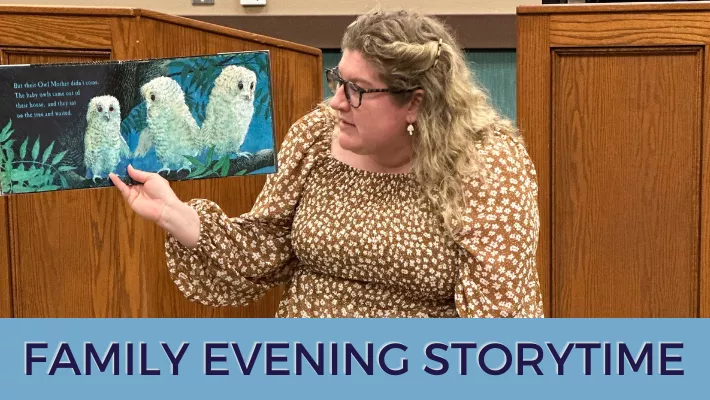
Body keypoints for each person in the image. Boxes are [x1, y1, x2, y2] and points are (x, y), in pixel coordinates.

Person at [110, 9, 544, 318]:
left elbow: (499, 324)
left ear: (415, 102)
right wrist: (177, 215)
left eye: (356, 90)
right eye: (338, 80)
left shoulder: (486, 164)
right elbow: (268, 249)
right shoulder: (318, 134)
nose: (336, 102)